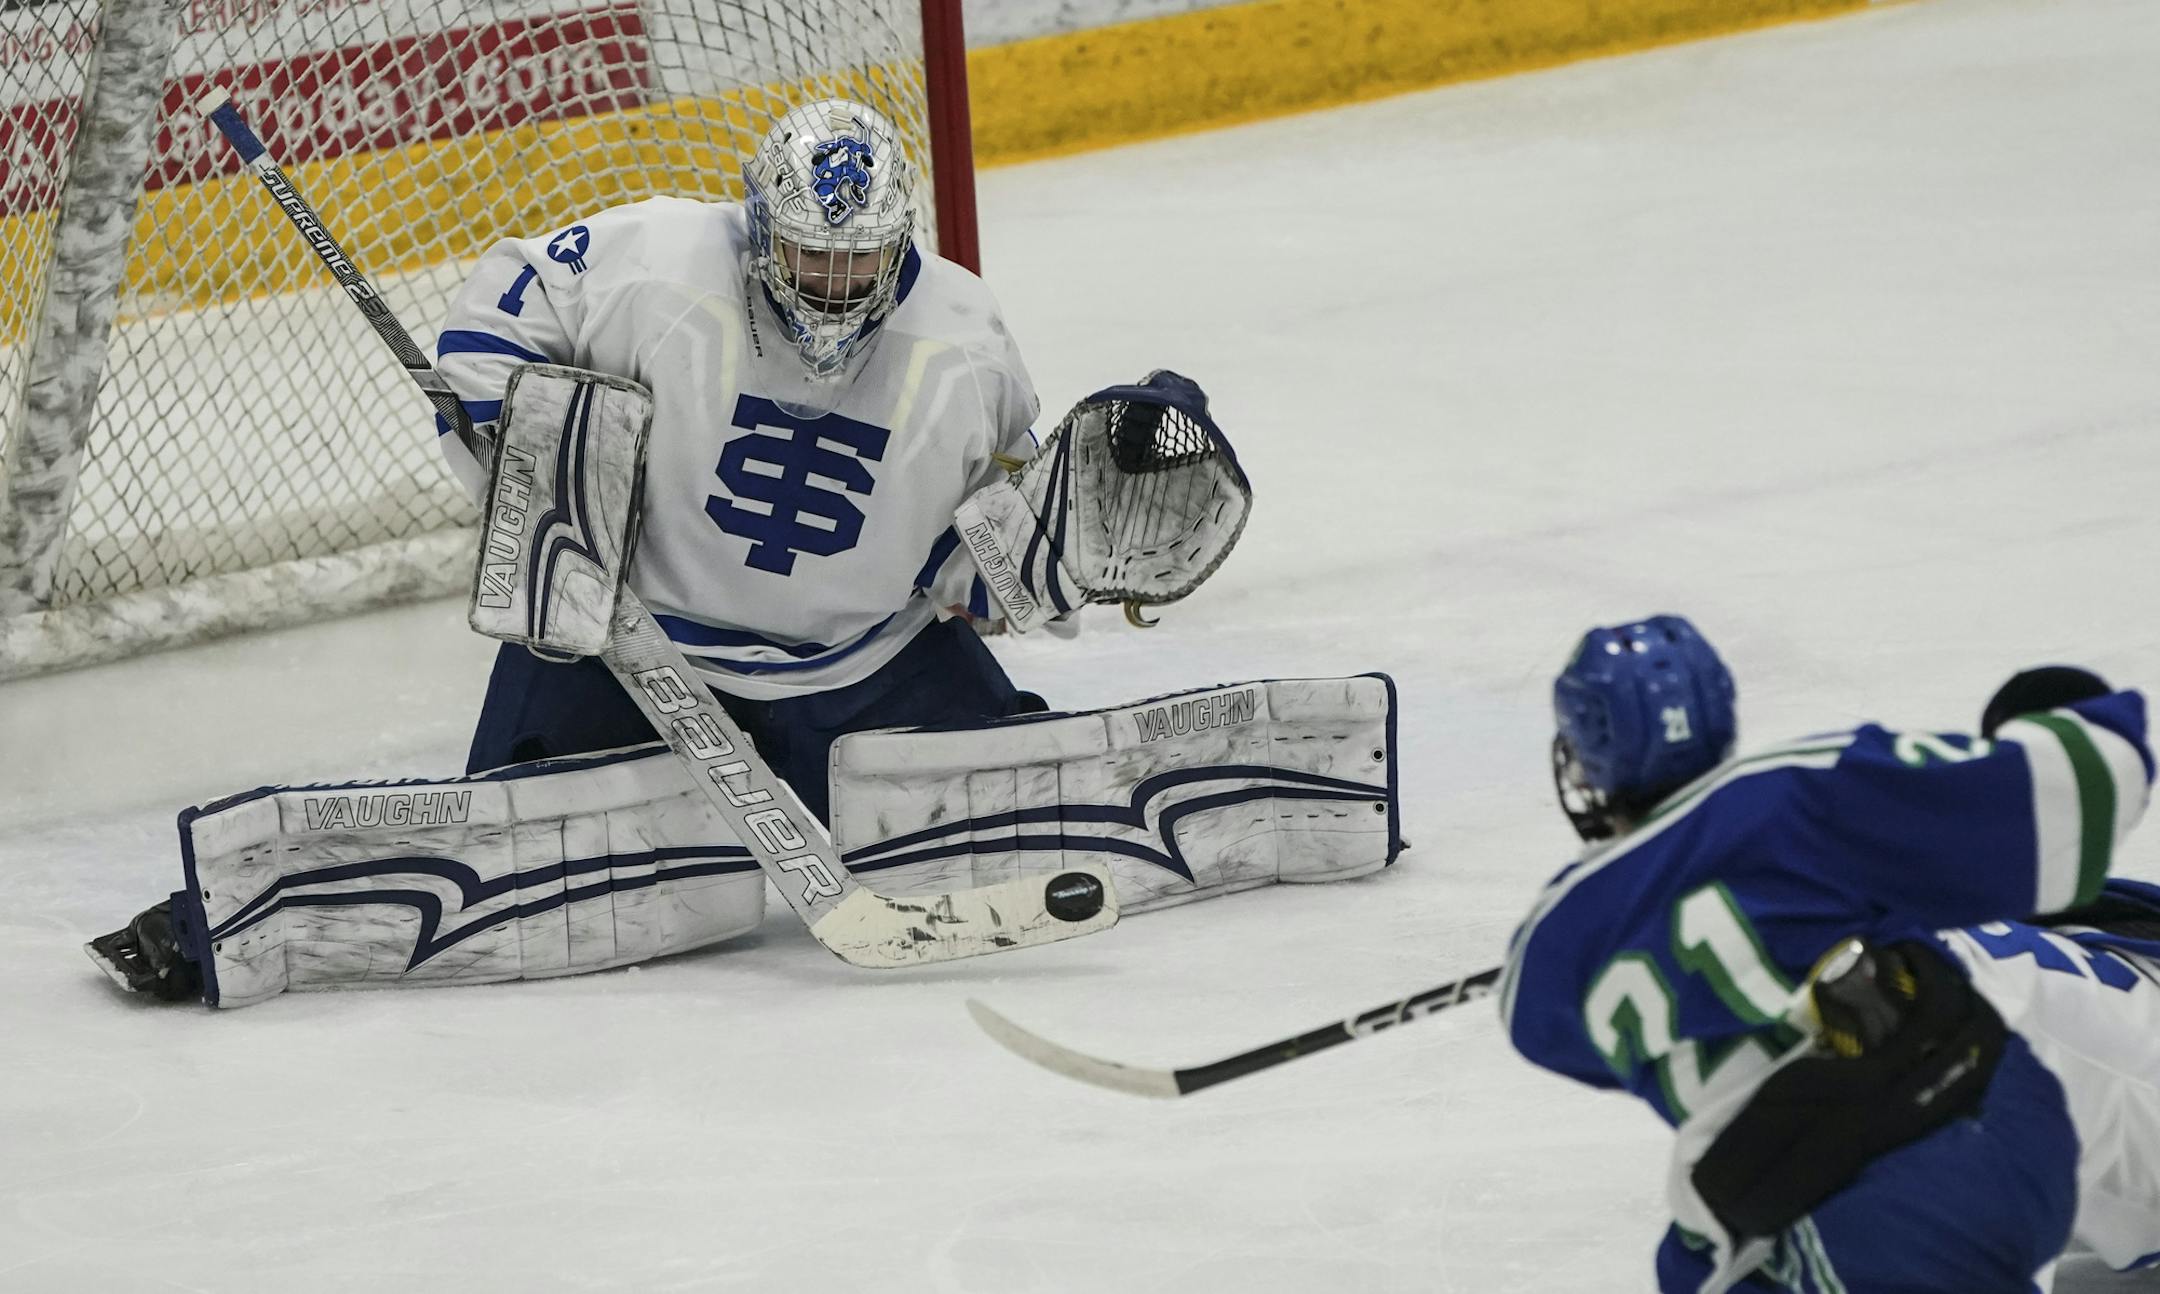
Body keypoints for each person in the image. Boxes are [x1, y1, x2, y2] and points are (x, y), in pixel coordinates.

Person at [84, 98, 1400, 1007]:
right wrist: (494, 399)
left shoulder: (969, 342)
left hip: (868, 666)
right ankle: (218, 927)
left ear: (902, 245)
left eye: (862, 263)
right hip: (635, 651)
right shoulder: (657, 257)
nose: (836, 290)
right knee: (495, 849)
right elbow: (507, 297)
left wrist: (1039, 556)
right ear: (759, 229)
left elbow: (977, 540)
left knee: (1012, 789)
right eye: (812, 261)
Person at [1502, 614, 2159, 1293]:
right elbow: (2089, 776)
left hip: (1958, 1141)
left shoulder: (1558, 945)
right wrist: (2057, 708)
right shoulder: (1811, 803)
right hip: (2014, 1117)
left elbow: (1548, 1024)